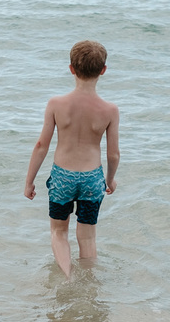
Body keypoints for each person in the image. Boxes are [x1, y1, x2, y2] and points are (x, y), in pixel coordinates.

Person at [24, 40, 120, 279]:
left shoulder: (56, 104)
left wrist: (29, 182)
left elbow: (41, 146)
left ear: (71, 68)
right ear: (103, 70)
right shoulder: (109, 110)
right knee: (87, 236)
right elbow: (113, 153)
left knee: (58, 233)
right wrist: (110, 179)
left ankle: (68, 279)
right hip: (92, 177)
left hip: (63, 175)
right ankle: (88, 284)